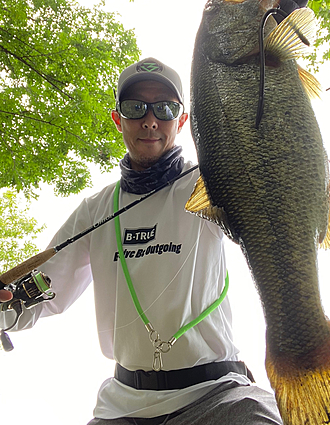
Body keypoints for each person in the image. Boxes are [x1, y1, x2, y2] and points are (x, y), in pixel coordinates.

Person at [0, 57, 283, 424]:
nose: (150, 120)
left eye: (165, 108)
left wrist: (272, 60)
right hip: (123, 407)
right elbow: (39, 293)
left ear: (182, 121)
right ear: (118, 119)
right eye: (136, 108)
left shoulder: (209, 184)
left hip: (218, 395)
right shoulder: (95, 210)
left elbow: (266, 184)